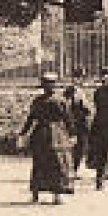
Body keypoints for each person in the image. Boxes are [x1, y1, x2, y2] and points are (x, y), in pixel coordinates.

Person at [18, 72, 74, 204]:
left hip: (41, 134)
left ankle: (36, 194)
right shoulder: (60, 101)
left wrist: (23, 133)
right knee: (57, 165)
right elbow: (68, 119)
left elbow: (30, 119)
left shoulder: (38, 101)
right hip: (57, 135)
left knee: (40, 164)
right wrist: (72, 134)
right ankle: (56, 195)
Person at [63, 84, 92, 178]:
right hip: (78, 129)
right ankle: (72, 171)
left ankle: (71, 171)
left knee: (74, 151)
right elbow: (88, 111)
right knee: (77, 151)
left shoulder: (67, 102)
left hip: (74, 129)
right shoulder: (78, 101)